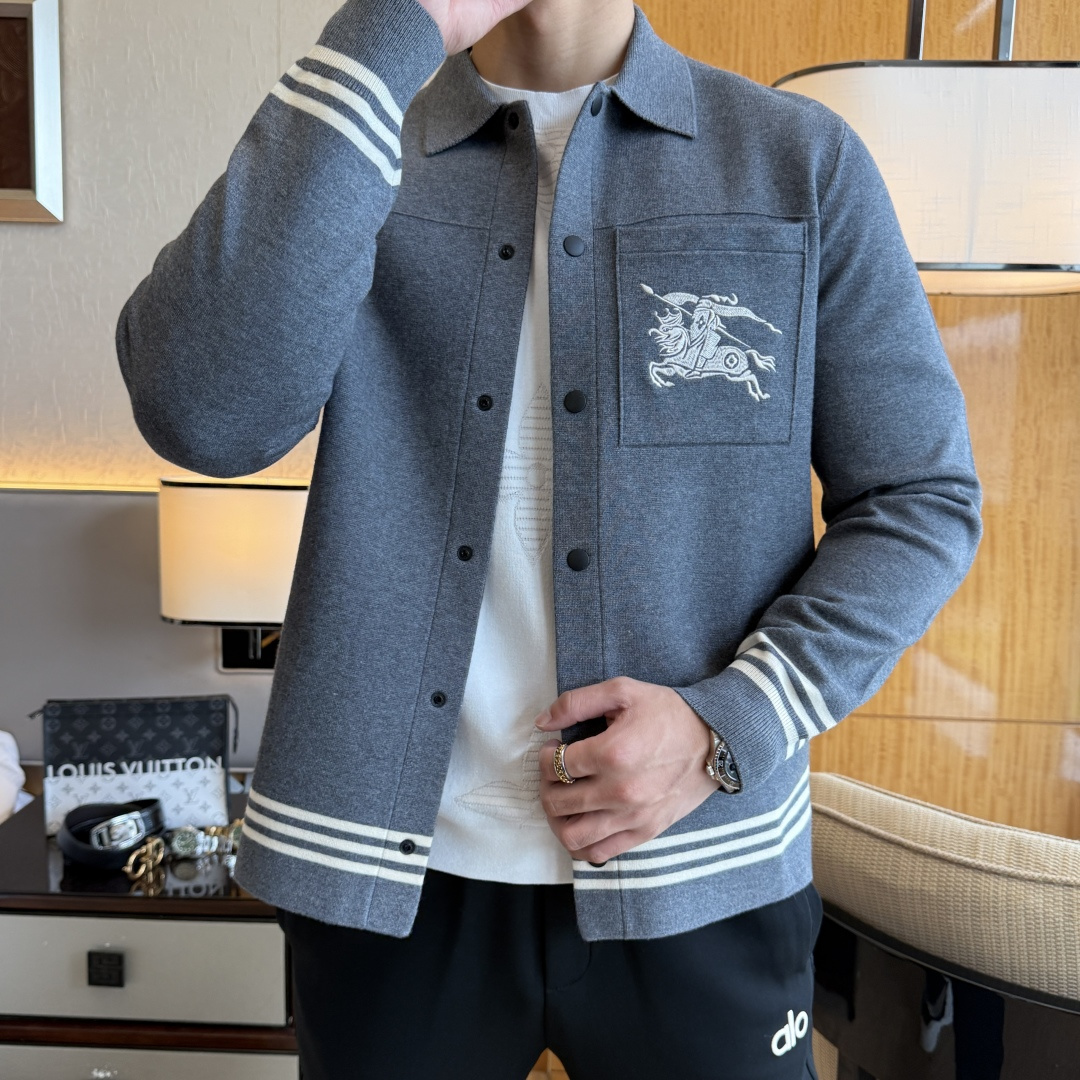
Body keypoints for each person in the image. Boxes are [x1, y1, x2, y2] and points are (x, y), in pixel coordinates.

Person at [115, 0, 982, 1076]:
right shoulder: (350, 143)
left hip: (701, 861)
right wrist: (396, 23)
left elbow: (920, 500)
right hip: (379, 882)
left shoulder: (796, 160)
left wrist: (729, 725)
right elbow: (202, 415)